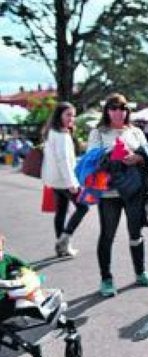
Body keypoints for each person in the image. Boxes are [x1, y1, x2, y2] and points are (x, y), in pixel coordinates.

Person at [87, 93, 148, 297]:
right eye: (113, 108)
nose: (118, 112)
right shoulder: (99, 132)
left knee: (136, 233)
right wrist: (113, 154)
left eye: (122, 108)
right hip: (109, 192)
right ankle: (106, 279)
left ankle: (140, 273)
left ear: (127, 111)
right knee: (107, 235)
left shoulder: (135, 131)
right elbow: (92, 159)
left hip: (134, 190)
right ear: (107, 111)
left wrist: (137, 158)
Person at [41, 102, 89, 257]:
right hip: (64, 180)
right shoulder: (60, 135)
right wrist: (72, 183)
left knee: (61, 211)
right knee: (83, 207)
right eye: (68, 114)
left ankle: (61, 247)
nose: (71, 118)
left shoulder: (52, 132)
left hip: (55, 180)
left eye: (73, 115)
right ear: (59, 115)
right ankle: (64, 239)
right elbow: (63, 161)